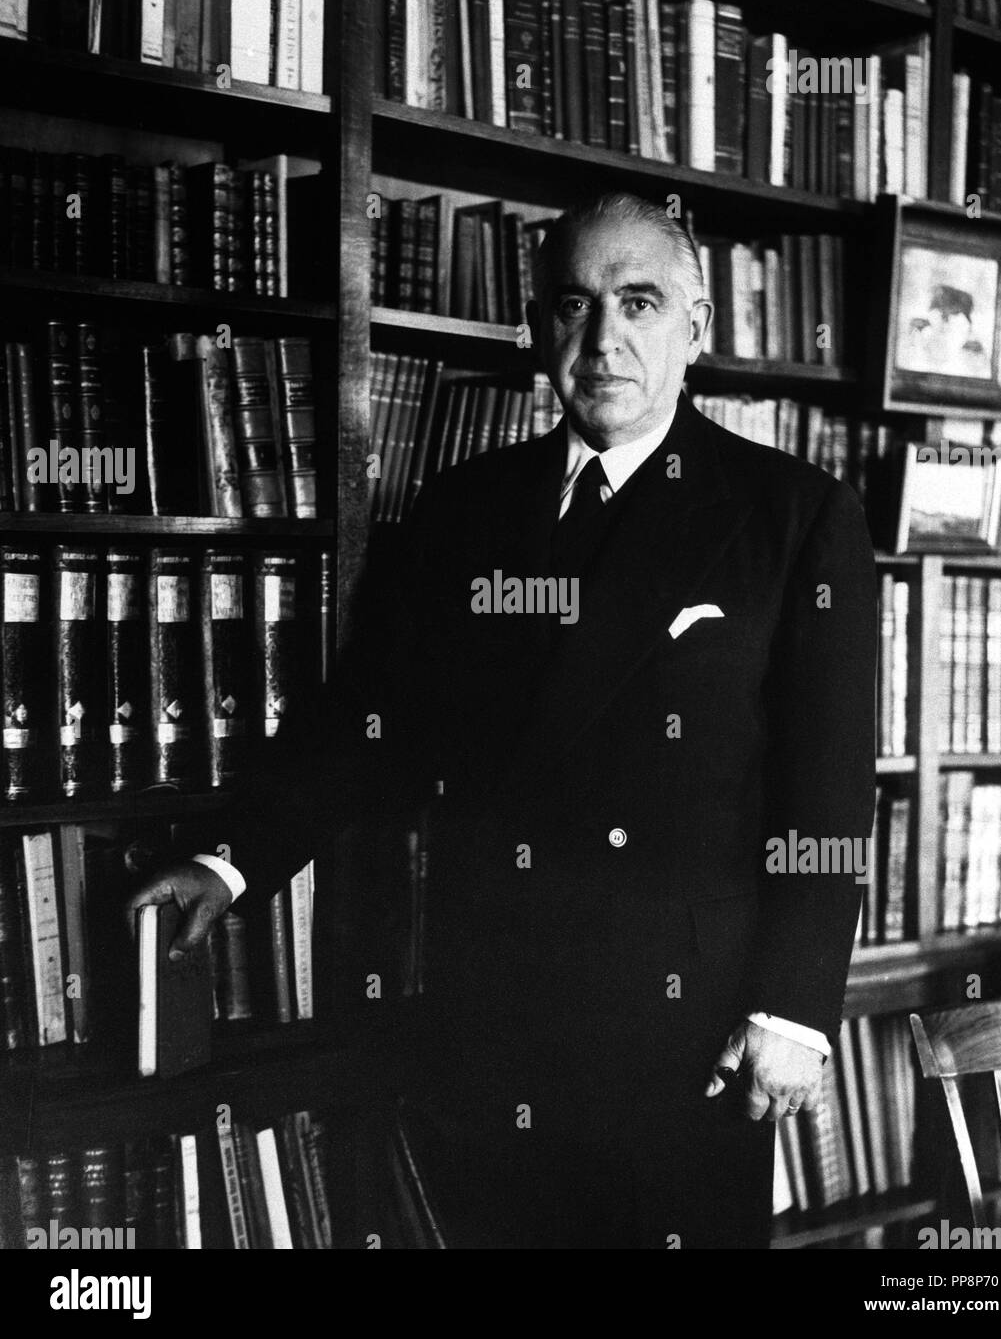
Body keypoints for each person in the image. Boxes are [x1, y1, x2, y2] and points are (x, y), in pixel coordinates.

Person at [129, 192, 877, 1249]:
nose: (603, 339)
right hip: (491, 1015)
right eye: (571, 305)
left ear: (695, 329)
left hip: (687, 1033)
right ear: (536, 330)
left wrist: (791, 1010)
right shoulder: (462, 507)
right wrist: (232, 859)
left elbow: (829, 790)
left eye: (639, 302)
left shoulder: (793, 514)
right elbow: (372, 724)